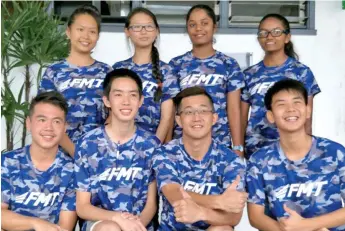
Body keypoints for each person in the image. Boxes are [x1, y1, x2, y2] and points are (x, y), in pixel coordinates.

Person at [246, 79, 345, 231]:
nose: (290, 109)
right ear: (271, 116)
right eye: (281, 104)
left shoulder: (335, 152)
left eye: (296, 102)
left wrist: (308, 226)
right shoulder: (259, 161)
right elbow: (255, 217)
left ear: (308, 110)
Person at [74, 68, 160, 231]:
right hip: (102, 223)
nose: (126, 101)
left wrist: (135, 225)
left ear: (141, 101)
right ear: (107, 101)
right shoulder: (87, 144)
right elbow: (83, 207)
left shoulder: (152, 145)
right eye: (118, 94)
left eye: (132, 95)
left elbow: (151, 205)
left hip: (140, 223)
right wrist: (117, 218)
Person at [153, 86, 247, 230]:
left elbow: (234, 217)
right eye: (189, 112)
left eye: (203, 111)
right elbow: (174, 194)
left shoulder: (231, 160)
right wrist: (219, 202)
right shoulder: (165, 153)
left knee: (223, 229)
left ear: (214, 118)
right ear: (179, 120)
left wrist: (201, 213)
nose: (197, 117)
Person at [241, 13, 321, 159]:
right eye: (263, 33)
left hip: (291, 149)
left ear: (287, 37)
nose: (269, 37)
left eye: (276, 32)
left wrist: (306, 152)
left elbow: (307, 116)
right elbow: (241, 118)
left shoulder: (301, 72)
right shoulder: (249, 74)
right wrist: (239, 148)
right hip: (255, 150)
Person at [169, 4, 245, 156]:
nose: (198, 28)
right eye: (192, 24)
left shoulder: (229, 64)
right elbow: (171, 109)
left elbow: (234, 109)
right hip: (184, 144)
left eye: (204, 23)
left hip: (220, 143)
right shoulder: (176, 65)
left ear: (214, 27)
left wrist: (238, 147)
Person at [39, 5, 112, 157]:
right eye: (80, 29)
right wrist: (75, 152)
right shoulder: (54, 72)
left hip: (99, 154)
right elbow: (46, 116)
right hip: (60, 155)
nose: (86, 36)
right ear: (68, 32)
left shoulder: (107, 72)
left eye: (92, 31)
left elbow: (114, 115)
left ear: (98, 36)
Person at [1, 91, 77, 231]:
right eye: (42, 120)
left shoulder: (72, 170)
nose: (49, 128)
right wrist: (36, 224)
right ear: (28, 123)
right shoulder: (6, 163)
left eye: (56, 121)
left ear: (64, 127)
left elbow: (65, 226)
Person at [112, 7, 179, 143]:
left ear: (156, 31)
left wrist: (154, 147)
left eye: (149, 26)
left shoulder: (167, 70)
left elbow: (167, 118)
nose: (143, 31)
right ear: (127, 32)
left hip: (155, 144)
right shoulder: (118, 69)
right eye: (137, 27)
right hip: (121, 144)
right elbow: (111, 113)